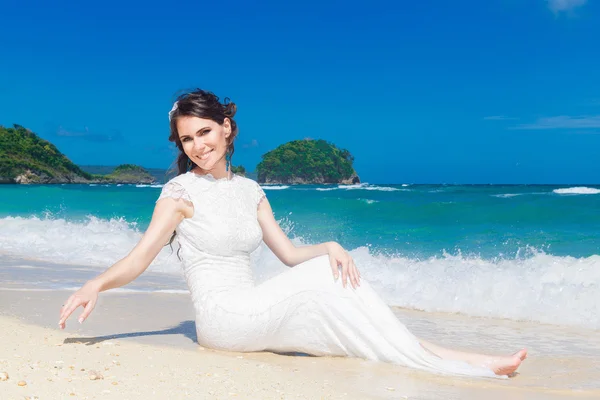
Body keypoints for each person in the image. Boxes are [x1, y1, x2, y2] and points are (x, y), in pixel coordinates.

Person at [59, 89, 527, 378]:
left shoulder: (251, 190)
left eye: (204, 132)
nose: (198, 146)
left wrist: (329, 246)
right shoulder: (180, 192)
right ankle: (461, 361)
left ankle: (457, 359)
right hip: (223, 321)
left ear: (226, 129)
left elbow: (286, 254)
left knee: (350, 308)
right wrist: (95, 284)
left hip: (252, 308)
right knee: (333, 282)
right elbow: (141, 257)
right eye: (187, 139)